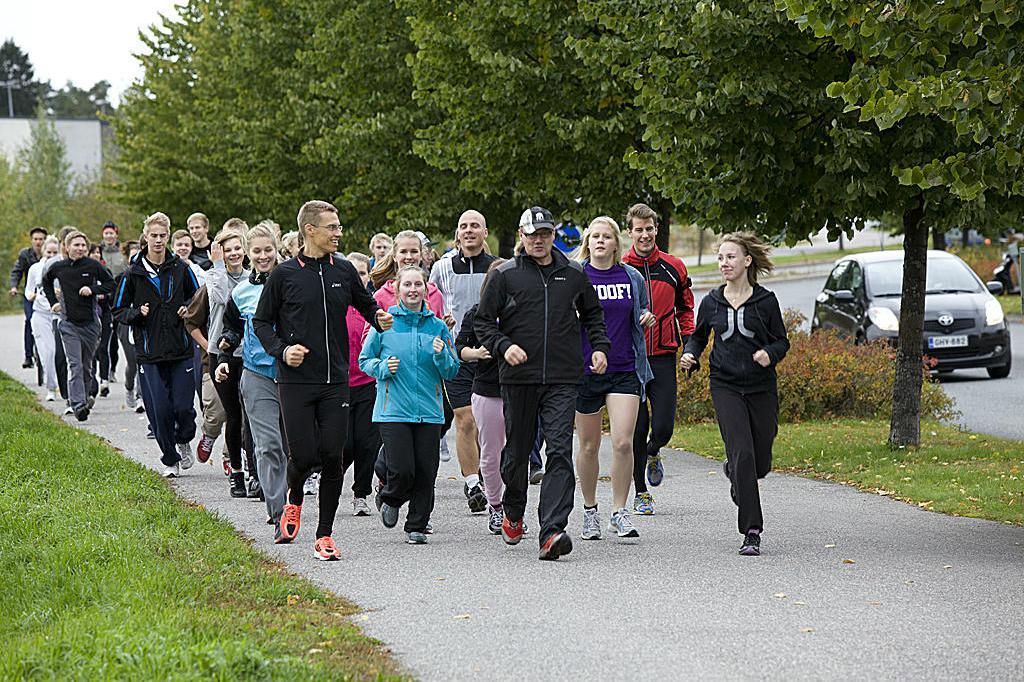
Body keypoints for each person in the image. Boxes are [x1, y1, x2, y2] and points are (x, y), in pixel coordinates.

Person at [253, 200, 392, 562]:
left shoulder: (344, 270)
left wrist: (379, 318)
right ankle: (294, 500)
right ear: (309, 230)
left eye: (339, 226)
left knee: (332, 456)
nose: (338, 232)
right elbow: (262, 323)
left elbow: (366, 305)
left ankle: (325, 535)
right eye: (332, 226)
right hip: (296, 381)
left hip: (336, 381)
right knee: (303, 455)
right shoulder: (284, 275)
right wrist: (283, 351)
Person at [475, 206, 610, 561]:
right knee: (517, 454)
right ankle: (513, 510)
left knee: (560, 452)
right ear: (521, 236)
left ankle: (551, 531)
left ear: (553, 235)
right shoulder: (504, 275)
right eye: (532, 234)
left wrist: (599, 348)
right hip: (519, 379)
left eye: (545, 234)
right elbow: (483, 323)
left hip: (563, 378)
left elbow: (594, 315)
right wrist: (505, 347)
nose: (539, 240)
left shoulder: (574, 273)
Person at [680, 232, 790, 556]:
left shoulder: (765, 301)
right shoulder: (712, 301)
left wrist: (770, 353)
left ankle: (735, 474)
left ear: (746, 261)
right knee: (742, 452)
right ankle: (751, 531)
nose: (724, 263)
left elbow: (781, 341)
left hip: (761, 387)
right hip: (725, 384)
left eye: (730, 257)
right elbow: (697, 337)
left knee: (760, 463)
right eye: (720, 258)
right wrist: (690, 355)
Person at [360, 265, 460, 544]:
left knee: (426, 472)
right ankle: (390, 497)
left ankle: (417, 524)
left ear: (426, 289)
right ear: (398, 289)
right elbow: (364, 360)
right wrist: (382, 368)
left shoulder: (437, 326)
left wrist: (442, 357)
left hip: (429, 410)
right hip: (393, 408)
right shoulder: (385, 322)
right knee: (403, 469)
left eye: (418, 284)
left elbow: (453, 370)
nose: (413, 290)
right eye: (408, 285)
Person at [572, 217, 655, 540]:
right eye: (596, 237)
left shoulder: (630, 276)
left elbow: (640, 312)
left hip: (624, 367)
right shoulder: (577, 275)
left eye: (607, 237)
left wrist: (644, 318)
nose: (601, 242)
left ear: (617, 243)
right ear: (588, 242)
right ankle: (590, 510)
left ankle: (619, 511)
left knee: (623, 441)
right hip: (586, 369)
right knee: (589, 445)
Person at [113, 212, 201, 477]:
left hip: (181, 349)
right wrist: (137, 314)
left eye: (163, 235)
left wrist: (187, 309)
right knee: (159, 409)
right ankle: (170, 459)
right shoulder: (133, 273)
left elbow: (196, 299)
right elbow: (117, 311)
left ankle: (184, 438)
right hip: (149, 353)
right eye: (154, 235)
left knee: (184, 408)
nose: (159, 240)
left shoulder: (181, 268)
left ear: (169, 236)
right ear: (146, 237)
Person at [622, 202, 695, 515]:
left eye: (649, 228)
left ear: (656, 229)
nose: (645, 234)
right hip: (631, 359)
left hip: (664, 355)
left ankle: (654, 452)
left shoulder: (674, 266)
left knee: (663, 427)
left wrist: (690, 346)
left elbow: (686, 309)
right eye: (638, 230)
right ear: (630, 232)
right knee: (637, 430)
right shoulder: (620, 267)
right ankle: (641, 492)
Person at [217, 225, 288, 537]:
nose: (263, 256)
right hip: (257, 373)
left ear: (276, 250)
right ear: (248, 253)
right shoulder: (241, 292)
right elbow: (231, 328)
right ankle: (279, 512)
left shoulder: (292, 284)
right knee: (268, 445)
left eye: (267, 250)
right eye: (256, 251)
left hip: (293, 374)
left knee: (296, 448)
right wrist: (223, 355)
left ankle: (292, 497)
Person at [429, 210, 497, 513]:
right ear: (457, 234)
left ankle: (488, 477)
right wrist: (437, 320)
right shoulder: (442, 268)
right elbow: (428, 300)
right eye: (463, 227)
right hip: (456, 354)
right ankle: (472, 483)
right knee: (465, 418)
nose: (469, 231)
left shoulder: (499, 268)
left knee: (487, 423)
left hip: (492, 355)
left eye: (475, 226)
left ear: (485, 232)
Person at [455, 259, 508, 534]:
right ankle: (496, 506)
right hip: (488, 389)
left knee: (517, 453)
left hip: (521, 388)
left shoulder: (523, 312)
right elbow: (460, 347)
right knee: (491, 452)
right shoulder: (477, 313)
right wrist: (476, 354)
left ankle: (514, 509)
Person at [42, 230, 114, 421]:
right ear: (67, 247)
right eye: (76, 245)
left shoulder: (93, 265)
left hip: (90, 324)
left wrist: (92, 289)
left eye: (83, 245)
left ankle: (85, 396)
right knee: (74, 364)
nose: (81, 248)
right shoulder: (59, 267)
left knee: (86, 366)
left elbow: (111, 284)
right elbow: (46, 282)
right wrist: (53, 302)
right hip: (68, 323)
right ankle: (78, 404)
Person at [206, 229, 251, 498]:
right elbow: (224, 298)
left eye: (237, 248)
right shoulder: (214, 276)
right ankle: (236, 472)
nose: (233, 253)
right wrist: (218, 265)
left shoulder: (251, 278)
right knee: (233, 415)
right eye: (228, 249)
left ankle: (255, 469)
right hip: (220, 353)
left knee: (250, 414)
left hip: (248, 354)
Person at [342, 252, 380, 516]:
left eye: (362, 273)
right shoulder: (334, 305)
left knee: (367, 443)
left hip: (368, 381)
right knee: (345, 444)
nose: (357, 278)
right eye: (352, 273)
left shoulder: (373, 307)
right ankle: (327, 476)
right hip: (339, 384)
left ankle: (361, 494)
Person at [25, 236, 61, 401]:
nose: (51, 255)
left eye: (55, 252)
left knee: (60, 353)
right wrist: (31, 295)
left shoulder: (62, 268)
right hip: (40, 313)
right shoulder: (35, 269)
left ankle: (64, 386)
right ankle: (51, 388)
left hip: (58, 314)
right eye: (49, 252)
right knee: (47, 352)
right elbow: (28, 290)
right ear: (43, 251)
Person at [9, 226, 48, 369]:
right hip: (31, 294)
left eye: (41, 239)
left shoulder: (50, 254)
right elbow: (16, 272)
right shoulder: (25, 254)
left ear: (45, 240)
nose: (38, 242)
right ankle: (28, 356)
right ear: (31, 241)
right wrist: (14, 287)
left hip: (46, 295)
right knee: (30, 320)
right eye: (36, 239)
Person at [115, 239, 144, 412]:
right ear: (127, 258)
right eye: (133, 256)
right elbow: (116, 305)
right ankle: (129, 387)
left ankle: (141, 397)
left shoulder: (148, 276)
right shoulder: (122, 278)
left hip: (142, 323)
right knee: (132, 362)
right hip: (126, 325)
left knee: (142, 360)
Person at [87, 243, 116, 397]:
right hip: (90, 315)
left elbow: (113, 289)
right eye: (93, 252)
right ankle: (92, 383)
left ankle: (104, 379)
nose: (96, 255)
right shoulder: (84, 272)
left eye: (98, 252)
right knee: (92, 350)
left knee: (103, 347)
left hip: (105, 313)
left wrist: (104, 295)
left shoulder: (105, 271)